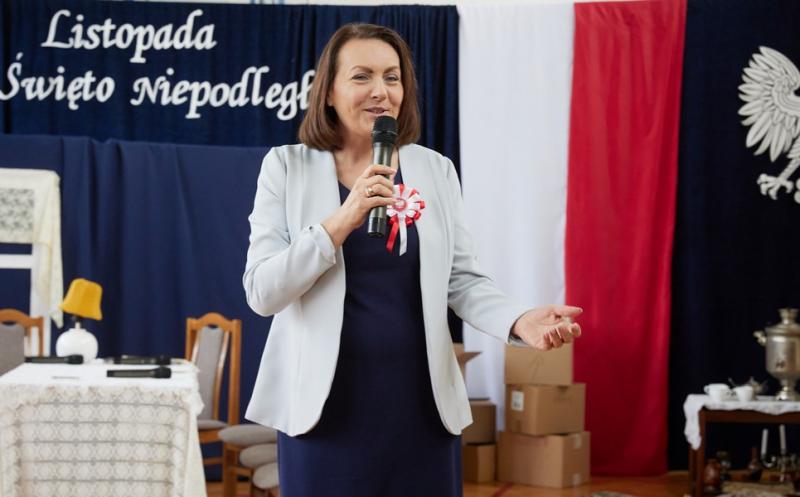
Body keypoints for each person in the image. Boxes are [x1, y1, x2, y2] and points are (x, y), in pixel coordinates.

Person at [243, 23, 582, 497]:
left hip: (421, 404)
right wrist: (341, 220)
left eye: (392, 77)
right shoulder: (286, 167)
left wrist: (518, 320)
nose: (380, 91)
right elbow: (262, 292)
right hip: (323, 408)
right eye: (361, 76)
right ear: (329, 92)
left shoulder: (436, 170)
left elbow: (463, 281)